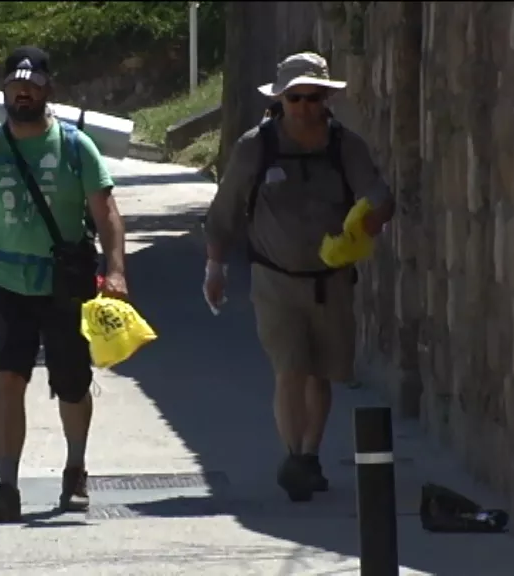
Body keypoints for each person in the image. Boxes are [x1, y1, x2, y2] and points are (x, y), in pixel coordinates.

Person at [202, 52, 395, 503]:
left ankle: (310, 454)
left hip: (331, 280)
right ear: (280, 101)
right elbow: (225, 210)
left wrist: (373, 216)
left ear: (326, 99)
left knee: (320, 374)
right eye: (295, 98)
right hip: (274, 278)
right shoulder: (256, 147)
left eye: (313, 98)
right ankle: (294, 457)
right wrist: (215, 266)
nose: (305, 107)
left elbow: (378, 195)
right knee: (290, 368)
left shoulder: (346, 146)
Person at [0, 46, 128, 523]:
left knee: (72, 382)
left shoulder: (75, 146)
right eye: (15, 84)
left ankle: (75, 470)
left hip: (65, 284)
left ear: (49, 89)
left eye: (32, 84)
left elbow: (107, 211)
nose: (23, 92)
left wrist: (115, 270)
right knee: (7, 380)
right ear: (3, 90)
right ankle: (7, 487)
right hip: (6, 283)